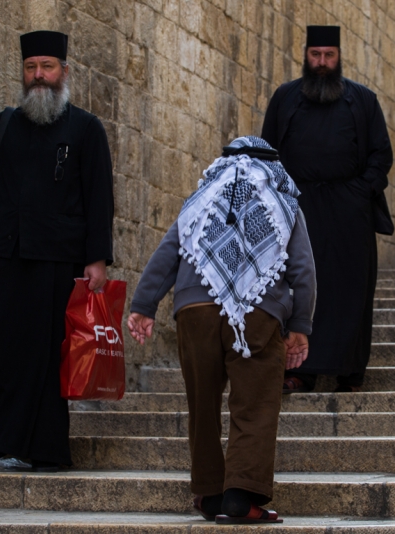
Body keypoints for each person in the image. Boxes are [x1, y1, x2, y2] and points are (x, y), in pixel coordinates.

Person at [127, 136, 316, 524]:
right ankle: (240, 495)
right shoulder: (283, 204)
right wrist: (299, 325)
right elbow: (304, 270)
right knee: (255, 404)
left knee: (202, 404)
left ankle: (210, 493)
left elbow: (169, 250)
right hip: (258, 313)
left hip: (195, 309)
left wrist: (144, 306)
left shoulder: (202, 199)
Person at [0, 30, 114, 471]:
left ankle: (43, 451)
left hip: (55, 261)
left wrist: (97, 258)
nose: (39, 76)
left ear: (64, 72)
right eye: (31, 68)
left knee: (45, 356)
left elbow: (99, 197)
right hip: (2, 256)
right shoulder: (4, 124)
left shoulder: (85, 129)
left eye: (47, 67)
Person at [260, 25, 393, 394]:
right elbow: (266, 152)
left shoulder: (362, 100)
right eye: (315, 55)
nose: (321, 63)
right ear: (305, 55)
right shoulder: (285, 98)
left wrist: (360, 192)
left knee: (350, 289)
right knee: (299, 288)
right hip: (297, 212)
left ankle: (350, 371)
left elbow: (381, 154)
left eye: (328, 56)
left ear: (338, 57)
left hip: (350, 213)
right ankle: (301, 370)